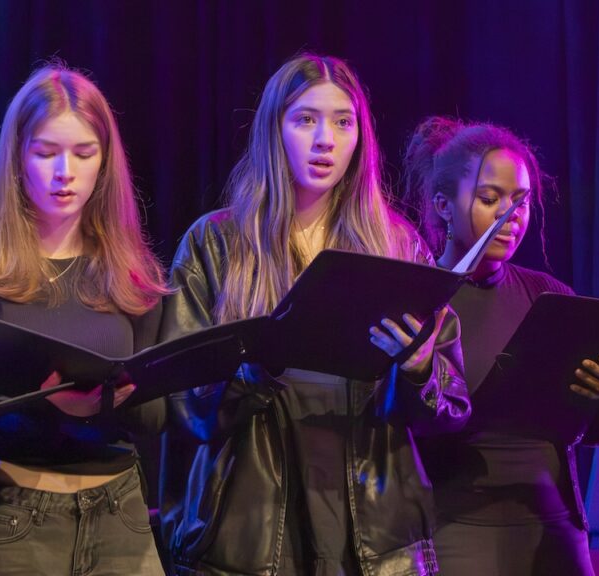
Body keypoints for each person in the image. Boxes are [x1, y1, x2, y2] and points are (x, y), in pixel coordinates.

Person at [158, 53, 470, 576]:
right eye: (306, 119)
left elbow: (452, 406)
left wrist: (418, 366)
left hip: (370, 532)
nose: (326, 139)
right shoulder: (217, 243)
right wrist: (256, 364)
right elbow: (182, 406)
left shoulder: (396, 245)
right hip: (249, 527)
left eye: (343, 122)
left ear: (360, 138)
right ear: (274, 129)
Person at [0, 63, 170, 575]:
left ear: (104, 161)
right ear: (18, 159)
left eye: (84, 153)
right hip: (16, 519)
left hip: (120, 518)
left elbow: (157, 417)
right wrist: (54, 406)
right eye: (46, 153)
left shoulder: (133, 275)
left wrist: (109, 402)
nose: (65, 171)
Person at [404, 116, 599, 576]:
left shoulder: (549, 296)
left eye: (521, 201)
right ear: (443, 205)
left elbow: (591, 429)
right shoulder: (418, 301)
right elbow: (400, 423)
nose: (510, 215)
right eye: (489, 199)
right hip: (456, 529)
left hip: (553, 527)